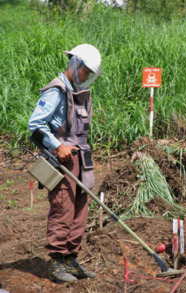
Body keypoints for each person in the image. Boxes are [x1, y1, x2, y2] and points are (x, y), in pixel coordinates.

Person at [28, 44, 102, 283]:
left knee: (80, 210)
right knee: (63, 209)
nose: (87, 76)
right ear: (75, 64)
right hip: (62, 160)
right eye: (86, 71)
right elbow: (35, 125)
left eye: (91, 73)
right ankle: (56, 262)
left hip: (82, 159)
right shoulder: (56, 91)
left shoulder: (79, 92)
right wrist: (57, 146)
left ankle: (71, 259)